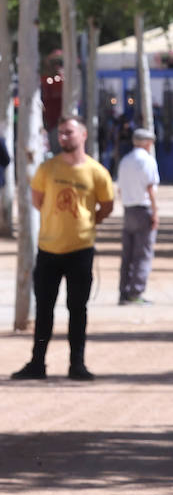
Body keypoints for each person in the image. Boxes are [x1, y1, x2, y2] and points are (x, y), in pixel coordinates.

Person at [11, 116, 115, 381]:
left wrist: (87, 223)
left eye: (69, 132)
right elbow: (38, 201)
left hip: (80, 250)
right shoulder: (47, 169)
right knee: (44, 308)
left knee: (77, 308)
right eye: (61, 133)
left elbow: (106, 205)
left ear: (83, 135)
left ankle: (76, 364)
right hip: (48, 250)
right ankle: (37, 363)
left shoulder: (96, 172)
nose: (64, 137)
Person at [116, 127, 160, 305]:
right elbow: (150, 188)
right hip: (143, 209)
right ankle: (135, 293)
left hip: (128, 210)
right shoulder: (147, 161)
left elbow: (120, 188)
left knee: (127, 253)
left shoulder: (125, 161)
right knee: (142, 254)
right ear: (148, 143)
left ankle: (124, 292)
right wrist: (155, 212)